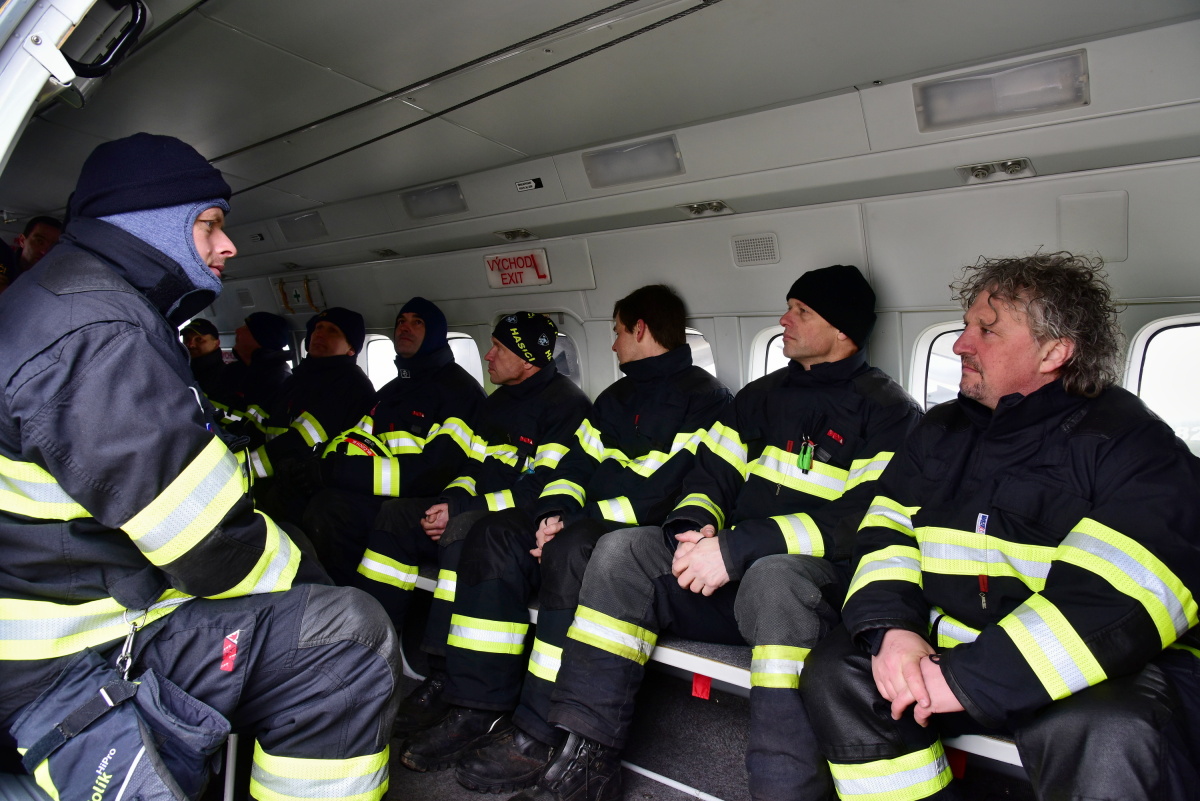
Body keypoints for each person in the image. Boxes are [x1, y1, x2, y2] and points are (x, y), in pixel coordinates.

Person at [0, 133, 396, 799]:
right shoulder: (100, 331)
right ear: (144, 225)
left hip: (60, 612)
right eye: (209, 224)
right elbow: (208, 544)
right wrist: (309, 580)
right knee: (347, 635)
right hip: (65, 655)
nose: (228, 245)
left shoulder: (62, 303)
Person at [801, 252, 1200, 801]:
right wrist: (892, 631)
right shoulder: (938, 429)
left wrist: (967, 680)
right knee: (837, 671)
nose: (962, 344)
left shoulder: (1132, 444)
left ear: (1054, 353)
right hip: (954, 643)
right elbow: (885, 534)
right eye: (965, 325)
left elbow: (1122, 597)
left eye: (986, 330)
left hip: (1099, 668)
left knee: (1108, 734)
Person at [516, 265, 923, 801]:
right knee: (623, 551)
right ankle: (587, 759)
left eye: (801, 312)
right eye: (788, 308)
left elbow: (863, 519)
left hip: (813, 594)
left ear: (842, 329)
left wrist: (737, 549)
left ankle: (784, 791)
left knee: (774, 578)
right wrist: (694, 528)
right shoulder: (759, 396)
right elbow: (711, 476)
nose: (784, 320)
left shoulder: (888, 411)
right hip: (719, 576)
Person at [400, 285, 733, 783]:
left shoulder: (706, 400)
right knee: (492, 532)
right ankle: (476, 704)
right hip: (580, 518)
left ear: (641, 329)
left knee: (574, 549)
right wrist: (554, 511)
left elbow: (666, 490)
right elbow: (574, 465)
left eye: (618, 331)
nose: (614, 344)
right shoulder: (613, 398)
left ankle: (539, 729)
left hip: (634, 532)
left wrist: (573, 525)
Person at [353, 313, 591, 734]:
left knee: (465, 532)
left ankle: (444, 673)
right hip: (470, 508)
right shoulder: (495, 403)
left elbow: (541, 488)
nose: (488, 355)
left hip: (515, 525)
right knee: (395, 516)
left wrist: (462, 512)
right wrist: (449, 500)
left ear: (528, 358)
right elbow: (471, 467)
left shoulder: (566, 406)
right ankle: (369, 652)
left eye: (499, 347)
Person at [299, 297, 488, 585]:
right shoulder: (391, 390)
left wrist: (339, 473)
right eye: (401, 322)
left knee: (332, 510)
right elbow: (354, 438)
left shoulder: (459, 392)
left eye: (417, 322)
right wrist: (323, 466)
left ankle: (347, 602)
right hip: (384, 496)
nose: (405, 328)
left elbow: (435, 471)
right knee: (314, 498)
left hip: (428, 505)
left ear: (435, 333)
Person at [247, 306, 376, 522]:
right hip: (272, 474)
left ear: (351, 348)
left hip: (306, 487)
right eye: (318, 327)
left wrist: (245, 469)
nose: (320, 334)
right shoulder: (298, 377)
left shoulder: (350, 385)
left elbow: (301, 441)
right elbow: (262, 422)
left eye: (332, 330)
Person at [211, 311, 293, 437]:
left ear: (262, 338)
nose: (237, 330)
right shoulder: (232, 370)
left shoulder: (278, 379)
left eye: (246, 328)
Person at [0, 216, 62, 293]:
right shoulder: (3, 258)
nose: (44, 251)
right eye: (39, 241)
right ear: (22, 240)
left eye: (53, 246)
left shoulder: (56, 282)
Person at [181, 317, 226, 398]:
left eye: (199, 339)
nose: (191, 345)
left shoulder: (225, 377)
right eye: (187, 339)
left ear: (216, 343)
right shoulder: (180, 369)